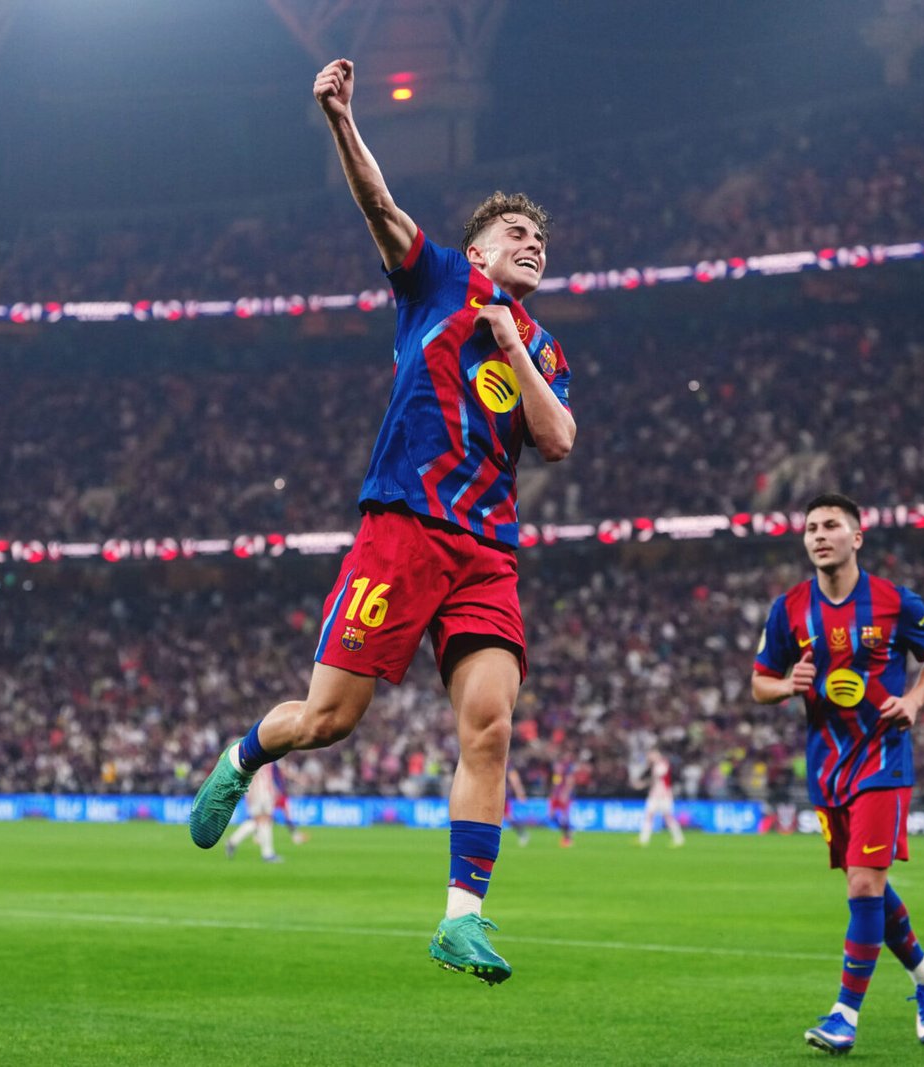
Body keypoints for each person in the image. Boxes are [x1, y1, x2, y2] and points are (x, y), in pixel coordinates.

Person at [186, 56, 575, 987]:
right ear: (476, 249)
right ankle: (245, 754)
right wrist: (340, 119)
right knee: (328, 720)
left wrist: (515, 346)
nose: (533, 243)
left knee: (490, 725)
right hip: (403, 530)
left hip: (485, 551)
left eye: (540, 239)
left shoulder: (543, 345)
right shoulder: (437, 281)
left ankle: (460, 919)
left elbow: (557, 438)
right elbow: (379, 203)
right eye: (516, 233)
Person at [752, 492, 924, 1053]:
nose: (819, 535)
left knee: (864, 884)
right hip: (827, 769)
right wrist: (786, 686)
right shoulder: (790, 608)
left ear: (856, 537)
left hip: (883, 759)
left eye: (831, 526)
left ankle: (844, 1016)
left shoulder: (895, 601)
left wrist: (914, 700)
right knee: (867, 887)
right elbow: (759, 682)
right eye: (811, 528)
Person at [225, 763, 285, 863]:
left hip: (264, 790)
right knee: (262, 820)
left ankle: (232, 841)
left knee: (261, 821)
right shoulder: (255, 757)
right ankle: (267, 854)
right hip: (258, 791)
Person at [636, 748, 685, 848]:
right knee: (649, 815)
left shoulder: (662, 765)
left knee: (668, 817)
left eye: (651, 755)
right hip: (655, 795)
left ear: (657, 754)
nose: (649, 757)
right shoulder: (655, 766)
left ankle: (679, 839)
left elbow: (657, 778)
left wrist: (643, 784)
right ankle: (643, 839)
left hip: (663, 796)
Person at [548, 754, 576, 848]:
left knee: (564, 816)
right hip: (556, 796)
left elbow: (570, 782)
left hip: (563, 796)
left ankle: (568, 838)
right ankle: (568, 831)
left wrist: (565, 793)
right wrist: (552, 793)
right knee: (551, 816)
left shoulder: (567, 770)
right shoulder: (556, 771)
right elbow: (555, 783)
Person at [505, 763, 530, 847]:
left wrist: (519, 793)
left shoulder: (507, 765)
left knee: (508, 817)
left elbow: (515, 780)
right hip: (494, 793)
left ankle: (523, 833)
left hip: (501, 794)